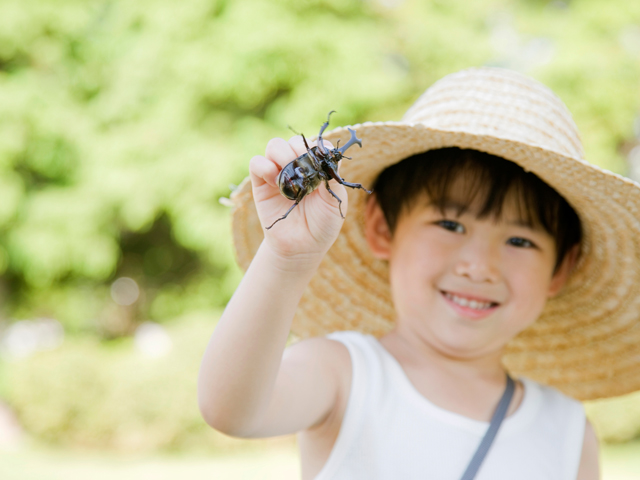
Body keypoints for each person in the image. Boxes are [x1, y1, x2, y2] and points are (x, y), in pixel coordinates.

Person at [198, 67, 640, 479]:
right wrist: (286, 260)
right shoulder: (344, 373)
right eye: (450, 225)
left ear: (561, 267)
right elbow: (231, 409)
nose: (478, 266)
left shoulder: (568, 433)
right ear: (382, 229)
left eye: (520, 241)